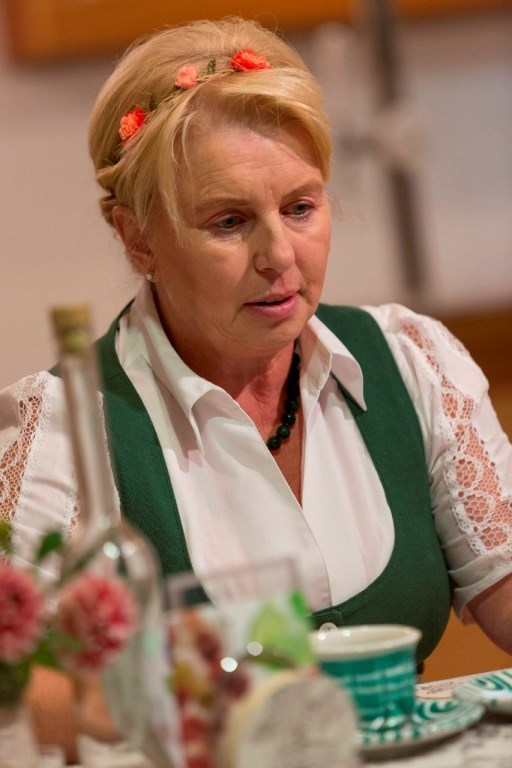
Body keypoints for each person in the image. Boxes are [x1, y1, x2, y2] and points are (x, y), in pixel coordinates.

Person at [1, 15, 512, 703]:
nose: (278, 255)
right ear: (137, 237)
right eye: (229, 222)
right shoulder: (70, 431)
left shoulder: (409, 361)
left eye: (300, 208)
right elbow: (21, 696)